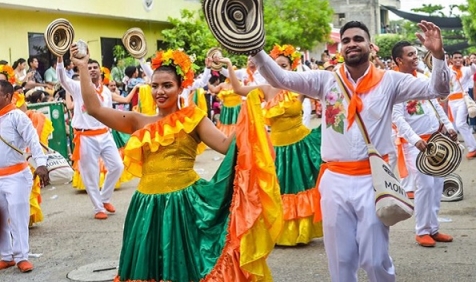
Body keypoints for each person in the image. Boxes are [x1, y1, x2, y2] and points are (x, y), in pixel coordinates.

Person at [251, 20, 450, 282]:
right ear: (340, 48)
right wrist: (254, 48)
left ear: (370, 45)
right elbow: (281, 78)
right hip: (335, 181)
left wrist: (437, 56)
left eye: (358, 39)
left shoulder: (390, 81)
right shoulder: (325, 81)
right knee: (341, 260)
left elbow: (438, 89)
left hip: (374, 180)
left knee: (375, 258)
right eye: (346, 40)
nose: (352, 44)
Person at [70, 45, 283, 281]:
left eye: (167, 85)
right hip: (146, 208)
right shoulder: (138, 121)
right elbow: (94, 108)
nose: (160, 91)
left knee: (183, 268)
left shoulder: (194, 118)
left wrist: (249, 114)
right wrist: (81, 67)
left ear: (181, 87)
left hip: (182, 207)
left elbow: (225, 145)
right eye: (155, 86)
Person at [219, 44, 323, 246]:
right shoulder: (266, 89)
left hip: (299, 146)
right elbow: (239, 89)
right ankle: (279, 231)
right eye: (277, 65)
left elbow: (327, 95)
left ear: (291, 66)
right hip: (276, 150)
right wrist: (229, 65)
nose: (280, 68)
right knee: (277, 190)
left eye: (284, 65)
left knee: (301, 186)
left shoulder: (299, 86)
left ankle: (301, 231)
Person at [391, 41, 457, 248]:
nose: (415, 57)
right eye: (410, 54)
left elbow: (434, 104)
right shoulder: (395, 84)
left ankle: (433, 229)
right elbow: (398, 118)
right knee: (425, 186)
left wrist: (448, 125)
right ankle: (421, 231)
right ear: (398, 60)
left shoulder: (421, 78)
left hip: (435, 140)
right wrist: (415, 139)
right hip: (416, 145)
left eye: (415, 53)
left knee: (437, 185)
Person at [56, 56, 124, 219]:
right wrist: (59, 58)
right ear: (84, 70)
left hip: (104, 133)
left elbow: (108, 112)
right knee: (90, 173)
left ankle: (105, 197)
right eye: (90, 67)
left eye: (95, 67)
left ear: (100, 71)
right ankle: (98, 208)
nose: (92, 69)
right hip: (86, 135)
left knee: (117, 166)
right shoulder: (78, 87)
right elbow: (62, 78)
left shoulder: (107, 91)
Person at [0, 79, 49, 273]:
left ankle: (21, 257)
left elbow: (33, 140)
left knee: (17, 216)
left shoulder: (17, 117)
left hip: (17, 176)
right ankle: (6, 256)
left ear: (7, 96)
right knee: (0, 217)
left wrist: (42, 164)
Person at [447, 51, 476, 159]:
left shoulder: (466, 70)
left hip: (462, 100)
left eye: (460, 57)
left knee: (461, 123)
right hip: (451, 101)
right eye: (455, 57)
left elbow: (474, 70)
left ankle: (472, 149)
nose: (458, 59)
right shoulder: (449, 70)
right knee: (456, 125)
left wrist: (471, 63)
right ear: (452, 59)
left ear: (462, 59)